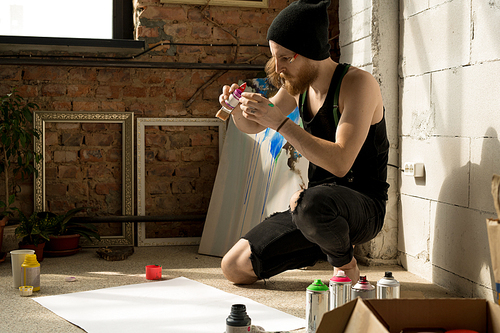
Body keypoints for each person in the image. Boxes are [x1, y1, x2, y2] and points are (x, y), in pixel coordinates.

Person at [218, 0, 389, 285]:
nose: (278, 68)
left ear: (311, 51)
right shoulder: (297, 87)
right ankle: (324, 239)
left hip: (363, 206)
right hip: (315, 206)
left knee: (311, 204)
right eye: (275, 57)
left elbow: (340, 163)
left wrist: (281, 123)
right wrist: (237, 110)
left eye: (285, 58)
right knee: (234, 267)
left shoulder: (359, 84)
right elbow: (253, 126)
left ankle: (345, 263)